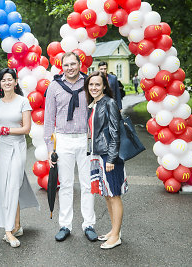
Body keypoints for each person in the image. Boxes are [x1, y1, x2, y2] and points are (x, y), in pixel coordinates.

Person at [44, 52, 97, 242]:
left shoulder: (89, 84)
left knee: (87, 184)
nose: (70, 68)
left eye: (73, 64)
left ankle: (88, 224)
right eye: (66, 65)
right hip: (64, 139)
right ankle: (65, 225)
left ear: (79, 64)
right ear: (62, 66)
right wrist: (50, 148)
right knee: (65, 184)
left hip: (85, 138)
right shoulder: (54, 87)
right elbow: (49, 120)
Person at [0, 68, 39, 248]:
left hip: (17, 146)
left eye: (10, 79)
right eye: (3, 80)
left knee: (14, 184)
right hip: (0, 147)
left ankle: (9, 230)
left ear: (16, 82)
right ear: (0, 84)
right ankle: (15, 226)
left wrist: (3, 129)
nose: (7, 82)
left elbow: (26, 129)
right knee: (3, 187)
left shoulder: (23, 102)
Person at [83, 71, 128, 250]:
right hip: (98, 154)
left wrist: (111, 158)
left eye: (97, 85)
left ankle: (116, 235)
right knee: (107, 195)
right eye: (91, 85)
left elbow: (115, 132)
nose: (94, 88)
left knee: (114, 194)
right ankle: (113, 230)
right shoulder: (94, 104)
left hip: (109, 156)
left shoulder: (109, 102)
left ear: (104, 86)